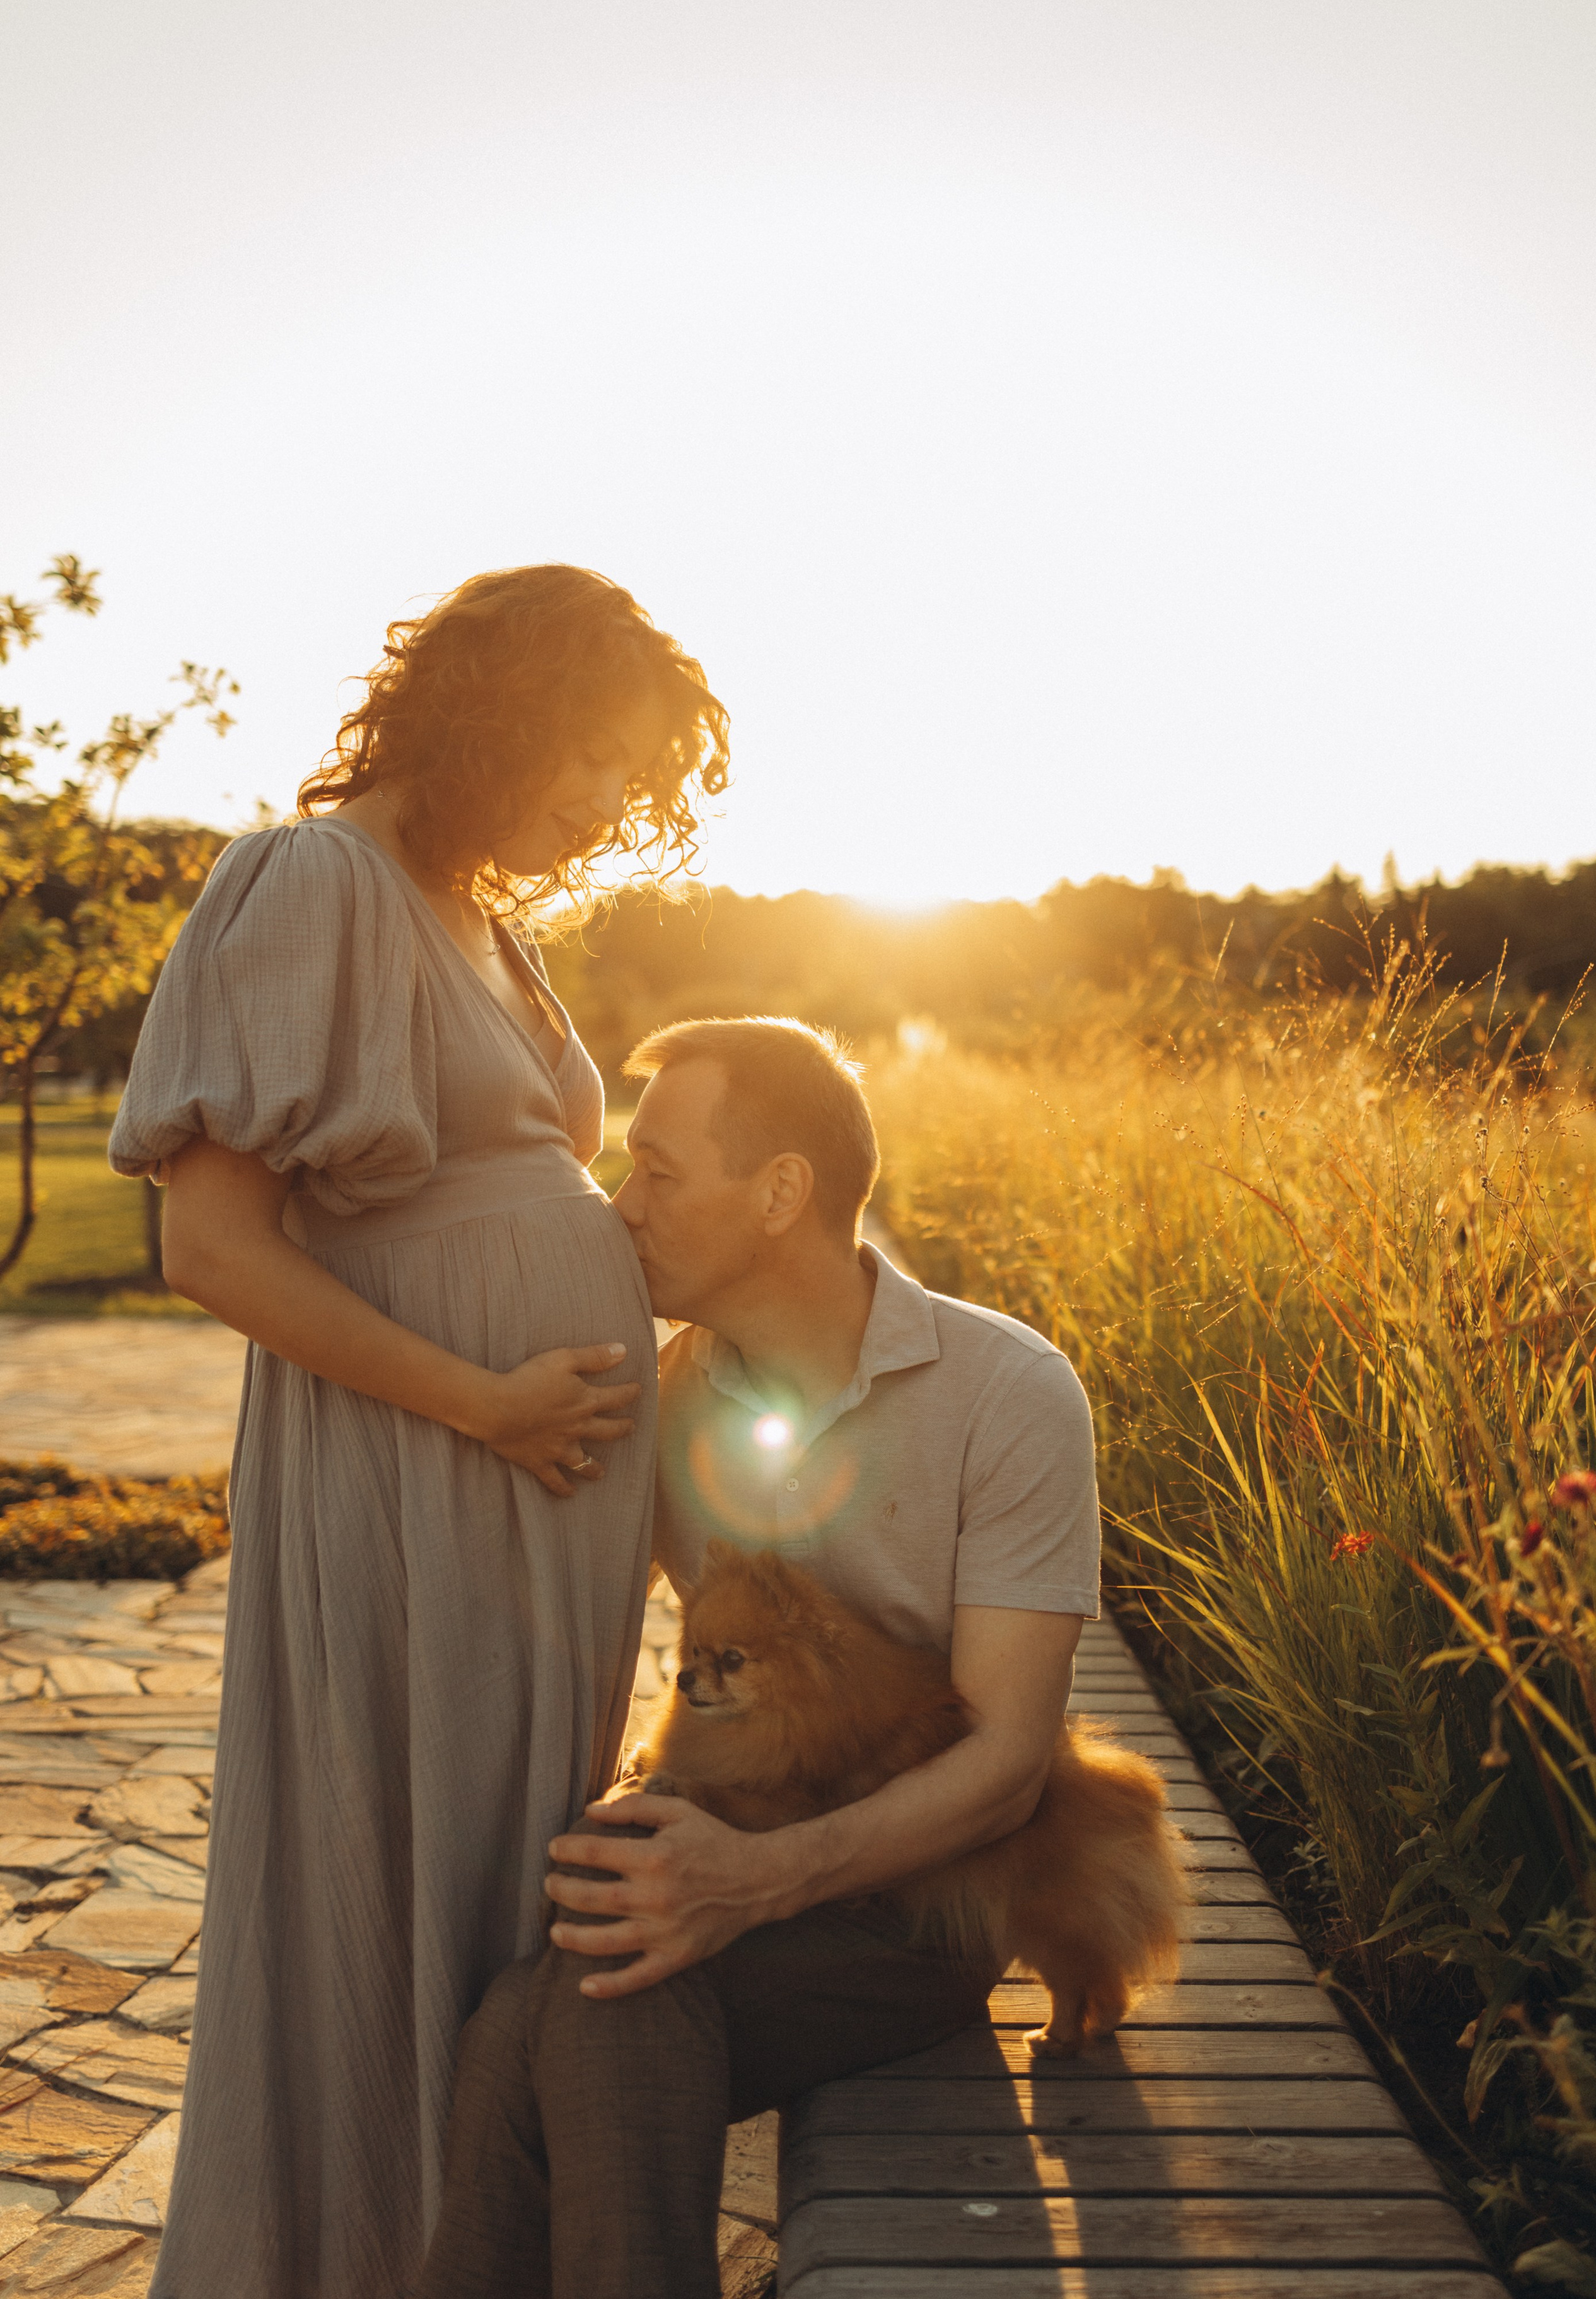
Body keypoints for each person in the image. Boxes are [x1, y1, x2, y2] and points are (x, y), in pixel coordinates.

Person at [107, 566, 729, 2299]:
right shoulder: (313, 880)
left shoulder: (482, 919)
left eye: (631, 775)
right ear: (495, 706)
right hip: (420, 1472)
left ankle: (474, 2252)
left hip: (532, 1498)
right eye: (590, 752)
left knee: (495, 1888)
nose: (605, 801)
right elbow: (211, 1245)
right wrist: (486, 1399)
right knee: (394, 1877)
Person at [416, 1016, 1100, 2299]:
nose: (623, 1206)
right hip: (730, 1848)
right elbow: (536, 1604)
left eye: (659, 1171)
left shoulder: (1007, 1393)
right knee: (570, 2001)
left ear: (781, 1191)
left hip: (922, 1910)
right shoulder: (659, 1395)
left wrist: (756, 1879)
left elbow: (1010, 1761)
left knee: (566, 2003)